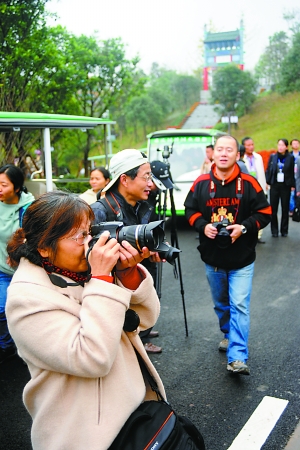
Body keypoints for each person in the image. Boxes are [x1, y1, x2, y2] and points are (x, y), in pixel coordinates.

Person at [5, 191, 165, 450]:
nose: (91, 241)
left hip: (134, 419)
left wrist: (127, 273)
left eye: (91, 231)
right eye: (80, 236)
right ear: (44, 247)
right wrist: (102, 280)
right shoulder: (26, 298)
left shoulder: (79, 270)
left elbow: (144, 320)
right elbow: (92, 358)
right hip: (83, 435)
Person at [184, 135, 271, 375]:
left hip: (242, 259)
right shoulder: (201, 183)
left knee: (239, 305)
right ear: (212, 153)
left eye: (229, 150)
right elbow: (190, 209)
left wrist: (243, 228)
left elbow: (265, 213)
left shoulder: (250, 183)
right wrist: (203, 226)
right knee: (222, 304)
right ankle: (228, 334)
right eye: (219, 149)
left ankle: (237, 356)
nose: (223, 153)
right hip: (212, 259)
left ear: (237, 155)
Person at [91, 149, 163, 354]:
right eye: (146, 177)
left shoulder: (143, 207)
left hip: (139, 284)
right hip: (114, 300)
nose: (151, 183)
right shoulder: (100, 211)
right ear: (124, 179)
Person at [0, 164, 35, 364]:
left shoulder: (29, 208)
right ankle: (7, 346)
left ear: (17, 186)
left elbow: (36, 238)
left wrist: (17, 251)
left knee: (25, 310)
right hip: (2, 270)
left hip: (24, 270)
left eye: (3, 184)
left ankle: (25, 347)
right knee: (2, 308)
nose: (0, 189)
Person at [266, 139, 295, 237]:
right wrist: (268, 181)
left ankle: (284, 230)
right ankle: (274, 230)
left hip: (285, 185)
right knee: (273, 208)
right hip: (274, 185)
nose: (280, 147)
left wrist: (292, 185)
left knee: (284, 208)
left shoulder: (290, 157)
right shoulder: (273, 156)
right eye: (279, 145)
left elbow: (292, 172)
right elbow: (268, 169)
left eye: (282, 145)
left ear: (286, 147)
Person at [242, 136, 268, 243]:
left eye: (252, 144)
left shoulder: (258, 157)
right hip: (248, 189)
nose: (251, 147)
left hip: (259, 188)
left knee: (260, 211)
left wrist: (265, 184)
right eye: (248, 145)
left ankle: (258, 235)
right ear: (243, 146)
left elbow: (262, 172)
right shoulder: (242, 159)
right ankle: (249, 233)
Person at [289, 139, 300, 215]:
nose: (295, 145)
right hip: (291, 175)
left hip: (298, 175)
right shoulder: (289, 155)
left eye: (297, 143)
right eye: (294, 143)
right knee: (292, 194)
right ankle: (292, 209)